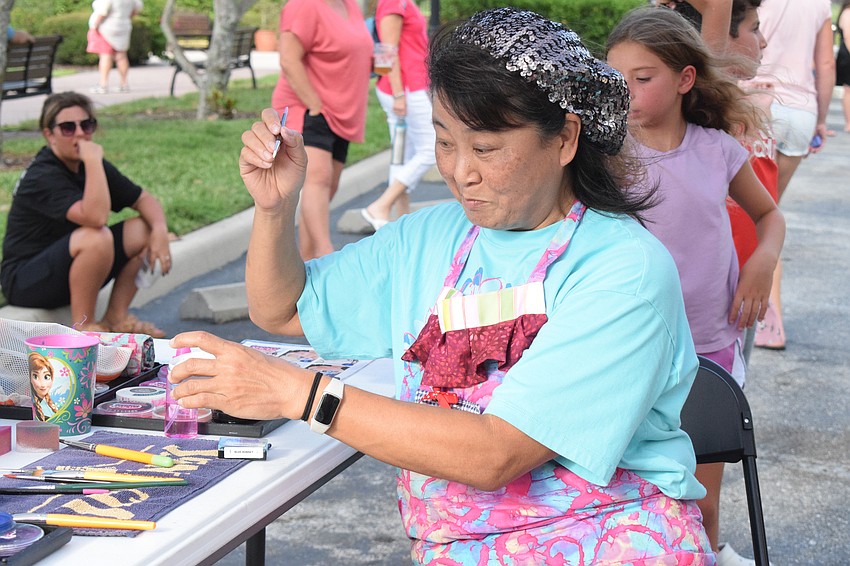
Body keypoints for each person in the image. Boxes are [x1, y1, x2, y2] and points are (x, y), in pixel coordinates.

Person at [171, 8, 715, 562]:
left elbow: (495, 454)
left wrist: (296, 393)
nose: (460, 172)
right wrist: (274, 210)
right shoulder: (430, 237)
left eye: (485, 148)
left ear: (565, 139)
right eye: (444, 142)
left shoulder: (622, 269)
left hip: (610, 542)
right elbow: (283, 311)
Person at [607, 7, 785, 565]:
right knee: (631, 482)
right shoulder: (606, 157)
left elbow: (771, 217)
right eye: (619, 81)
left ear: (685, 80)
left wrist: (761, 264)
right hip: (630, 344)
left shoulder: (717, 150)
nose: (629, 93)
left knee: (703, 489)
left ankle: (707, 550)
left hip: (710, 341)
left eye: (644, 78)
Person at [0, 92, 170, 338]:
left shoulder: (90, 164)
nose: (80, 133)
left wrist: (160, 232)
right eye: (68, 128)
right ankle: (84, 328)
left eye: (87, 124)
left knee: (144, 228)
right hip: (26, 281)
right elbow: (96, 218)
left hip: (69, 268)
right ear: (50, 135)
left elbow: (143, 199)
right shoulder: (42, 175)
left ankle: (116, 318)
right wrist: (92, 161)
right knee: (96, 237)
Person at [673, 0, 777, 367]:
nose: (763, 42)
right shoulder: (700, 122)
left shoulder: (740, 110)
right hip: (709, 304)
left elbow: (768, 212)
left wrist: (765, 260)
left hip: (743, 291)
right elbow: (716, 12)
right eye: (754, 28)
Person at [749, 0, 835, 350]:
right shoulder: (820, 3)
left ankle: (766, 318)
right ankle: (771, 318)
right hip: (800, 110)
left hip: (755, 101)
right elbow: (825, 63)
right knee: (768, 211)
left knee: (755, 214)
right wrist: (820, 120)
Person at [272, 0, 373, 259]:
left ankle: (307, 264)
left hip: (341, 111)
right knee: (318, 180)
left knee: (328, 187)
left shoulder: (349, 5)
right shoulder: (304, 5)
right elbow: (288, 59)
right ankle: (325, 253)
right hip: (309, 106)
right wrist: (314, 105)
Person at [360, 0, 436, 230]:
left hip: (403, 89)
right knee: (432, 149)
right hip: (408, 89)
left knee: (401, 155)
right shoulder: (393, 3)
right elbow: (386, 52)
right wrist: (397, 94)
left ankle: (400, 222)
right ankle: (381, 206)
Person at [86, 0, 143, 94]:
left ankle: (103, 84)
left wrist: (94, 26)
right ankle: (124, 84)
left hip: (106, 27)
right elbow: (136, 9)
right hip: (123, 26)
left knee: (105, 55)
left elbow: (103, 12)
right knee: (121, 56)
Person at [28, 352, 58, 421]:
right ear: (30, 378)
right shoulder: (36, 404)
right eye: (35, 376)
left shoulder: (53, 404)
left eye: (46, 377)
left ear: (52, 378)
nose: (42, 384)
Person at [837, 1, 850, 133]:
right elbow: (848, 37)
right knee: (848, 89)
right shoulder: (847, 13)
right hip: (847, 56)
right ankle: (849, 123)